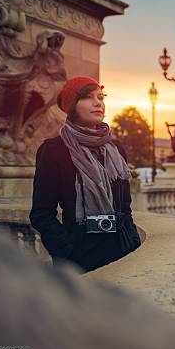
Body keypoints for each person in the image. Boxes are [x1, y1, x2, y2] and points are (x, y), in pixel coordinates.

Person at [30, 76, 141, 273]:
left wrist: (132, 239)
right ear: (72, 106)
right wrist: (67, 250)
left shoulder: (115, 149)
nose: (98, 103)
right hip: (80, 257)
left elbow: (125, 207)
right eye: (88, 97)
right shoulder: (54, 150)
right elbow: (41, 214)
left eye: (101, 97)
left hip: (122, 251)